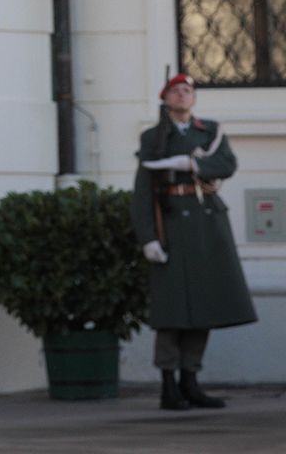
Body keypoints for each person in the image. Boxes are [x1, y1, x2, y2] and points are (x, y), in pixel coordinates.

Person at [132, 73, 256, 411]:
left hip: (205, 224)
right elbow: (143, 190)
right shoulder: (153, 136)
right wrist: (148, 237)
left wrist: (190, 163)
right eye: (175, 91)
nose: (182, 95)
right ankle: (168, 384)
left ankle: (191, 380)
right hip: (171, 225)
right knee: (172, 311)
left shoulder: (210, 131)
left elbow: (226, 164)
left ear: (194, 97)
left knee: (203, 307)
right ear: (165, 98)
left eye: (187, 91)